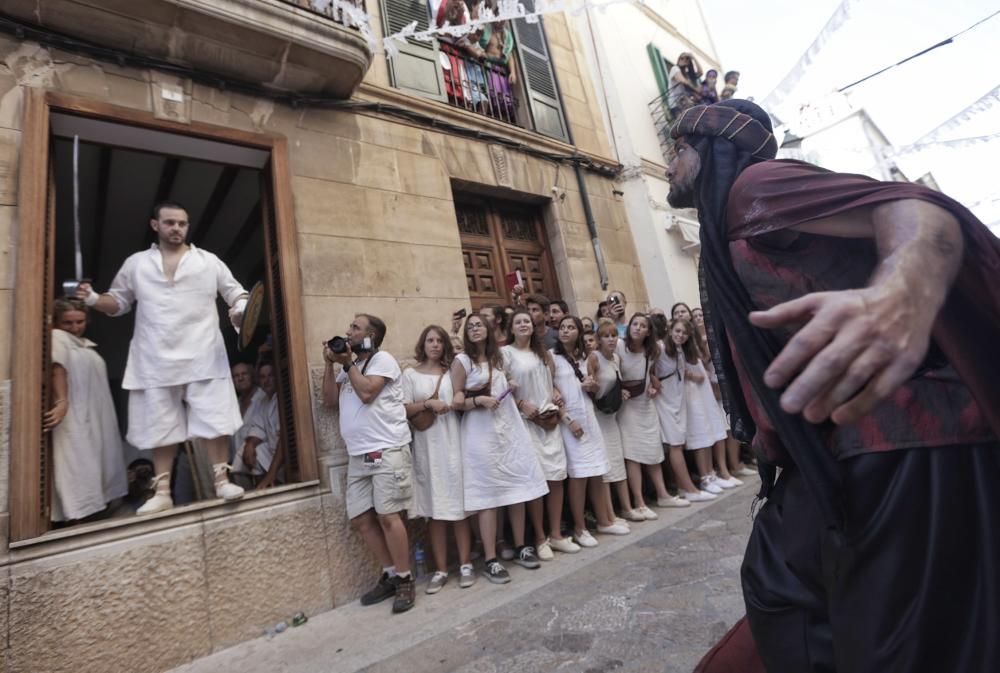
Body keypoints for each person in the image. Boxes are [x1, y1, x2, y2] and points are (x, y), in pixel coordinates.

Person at [669, 98, 1000, 673]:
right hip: (834, 452)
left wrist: (903, 288)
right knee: (776, 581)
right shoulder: (728, 217)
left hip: (907, 442)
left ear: (708, 151)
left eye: (676, 150)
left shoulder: (756, 186)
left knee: (901, 646)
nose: (667, 164)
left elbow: (916, 209)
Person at [76, 202, 247, 514]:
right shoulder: (137, 264)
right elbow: (117, 302)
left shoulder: (208, 261)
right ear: (155, 225)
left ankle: (222, 480)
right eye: (169, 222)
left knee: (214, 417)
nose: (176, 228)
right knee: (160, 424)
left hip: (203, 351)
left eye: (182, 223)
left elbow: (236, 292)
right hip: (153, 355)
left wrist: (241, 307)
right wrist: (90, 298)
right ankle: (163, 491)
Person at [322, 313, 416, 614]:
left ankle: (405, 579)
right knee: (362, 519)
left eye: (355, 327)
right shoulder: (349, 368)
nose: (348, 331)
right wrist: (328, 363)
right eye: (349, 325)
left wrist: (347, 363)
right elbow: (328, 401)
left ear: (370, 336)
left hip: (386, 449)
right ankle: (389, 574)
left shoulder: (383, 360)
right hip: (359, 454)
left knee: (389, 516)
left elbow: (366, 393)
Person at [451, 313, 548, 584]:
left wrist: (510, 386)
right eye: (470, 327)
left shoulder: (497, 358)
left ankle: (520, 546)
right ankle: (491, 558)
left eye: (478, 325)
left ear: (488, 329)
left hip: (507, 430)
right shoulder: (462, 361)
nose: (474, 329)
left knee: (516, 488)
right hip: (480, 434)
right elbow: (456, 400)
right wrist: (478, 400)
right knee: (487, 496)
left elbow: (504, 387)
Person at [402, 325, 474, 593]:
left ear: (445, 345)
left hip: (453, 444)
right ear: (423, 343)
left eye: (439, 341)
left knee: (459, 510)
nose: (434, 345)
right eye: (430, 340)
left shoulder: (452, 371)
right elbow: (403, 407)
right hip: (426, 448)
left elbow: (464, 398)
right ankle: (441, 570)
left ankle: (466, 565)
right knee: (434, 513)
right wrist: (427, 404)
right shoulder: (409, 374)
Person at [44, 298, 128, 523]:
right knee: (77, 469)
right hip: (75, 417)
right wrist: (62, 402)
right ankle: (75, 523)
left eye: (79, 322)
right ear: (57, 322)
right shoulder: (57, 337)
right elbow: (57, 368)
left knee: (97, 467)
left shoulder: (83, 344)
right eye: (67, 323)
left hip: (95, 417)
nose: (74, 327)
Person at [504, 308, 577, 558]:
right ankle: (539, 538)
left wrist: (555, 392)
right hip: (526, 424)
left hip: (550, 420)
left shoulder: (543, 354)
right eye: (518, 322)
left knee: (556, 477)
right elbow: (500, 389)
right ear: (511, 328)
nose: (524, 325)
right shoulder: (506, 354)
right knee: (537, 481)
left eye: (527, 321)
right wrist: (521, 404)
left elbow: (550, 382)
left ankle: (556, 534)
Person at [552, 315, 628, 540]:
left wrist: (593, 386)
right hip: (570, 421)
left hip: (589, 417)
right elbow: (551, 391)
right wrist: (567, 419)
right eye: (562, 328)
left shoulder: (586, 357)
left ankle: (605, 521)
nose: (565, 331)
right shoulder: (552, 357)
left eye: (570, 327)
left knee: (597, 471)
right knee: (579, 474)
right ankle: (579, 527)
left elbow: (592, 389)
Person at [615, 314, 681, 517]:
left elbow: (650, 373)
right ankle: (639, 502)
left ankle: (663, 494)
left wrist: (653, 385)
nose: (637, 328)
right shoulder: (619, 346)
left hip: (645, 404)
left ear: (648, 331)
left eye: (642, 326)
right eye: (635, 324)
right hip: (627, 407)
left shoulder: (652, 351)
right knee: (633, 455)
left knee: (653, 449)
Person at [654, 318, 712, 503]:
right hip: (664, 402)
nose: (680, 335)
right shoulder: (660, 348)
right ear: (670, 329)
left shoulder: (679, 351)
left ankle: (683, 487)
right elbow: (648, 369)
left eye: (684, 333)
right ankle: (690, 489)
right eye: (677, 331)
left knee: (678, 444)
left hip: (678, 401)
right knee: (675, 445)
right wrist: (652, 382)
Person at [233, 360, 284, 490]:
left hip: (284, 460)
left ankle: (268, 482)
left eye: (270, 376)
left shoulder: (283, 399)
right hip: (270, 456)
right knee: (247, 449)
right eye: (262, 377)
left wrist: (270, 475)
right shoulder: (264, 401)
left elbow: (284, 441)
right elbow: (258, 428)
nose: (266, 380)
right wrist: (250, 444)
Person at [667, 52, 702, 118]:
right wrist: (695, 89)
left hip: (683, 104)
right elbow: (682, 80)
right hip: (674, 103)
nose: (684, 60)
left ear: (689, 62)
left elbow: (700, 72)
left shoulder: (686, 75)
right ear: (679, 59)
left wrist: (693, 58)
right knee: (681, 122)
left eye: (687, 58)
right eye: (682, 58)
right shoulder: (675, 68)